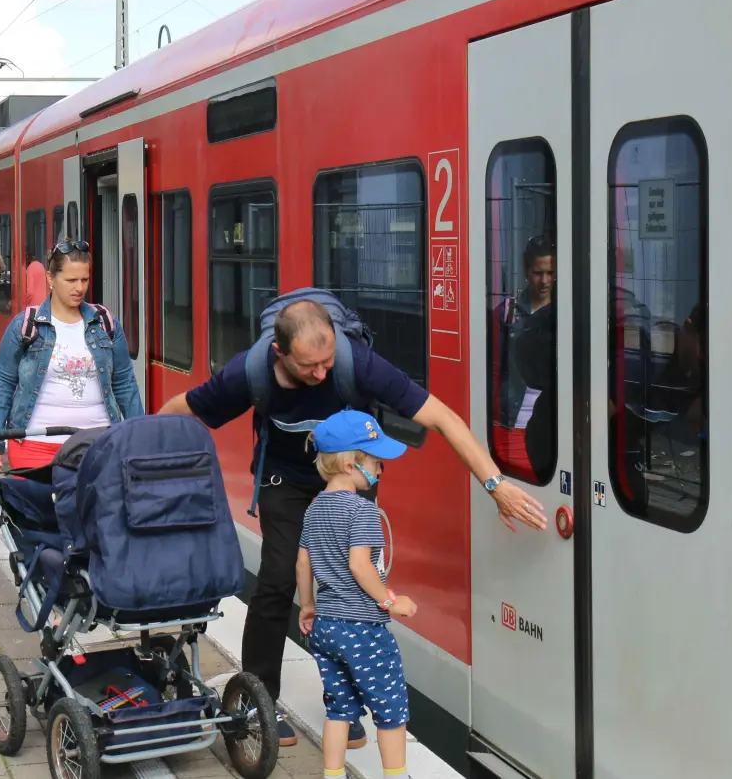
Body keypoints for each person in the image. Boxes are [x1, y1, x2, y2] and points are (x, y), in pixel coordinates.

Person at [158, 297, 547, 746]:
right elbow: (185, 406)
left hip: (351, 483)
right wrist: (140, 441)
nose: (322, 375)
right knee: (278, 579)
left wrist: (495, 485)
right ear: (279, 353)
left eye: (327, 363)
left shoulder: (355, 362)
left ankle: (344, 703)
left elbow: (442, 417)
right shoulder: (251, 371)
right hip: (285, 481)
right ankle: (257, 700)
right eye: (310, 367)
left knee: (352, 590)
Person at [297, 409, 417, 779]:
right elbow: (360, 566)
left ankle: (332, 776)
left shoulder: (314, 509)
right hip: (362, 627)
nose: (380, 470)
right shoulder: (363, 512)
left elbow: (303, 564)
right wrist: (391, 602)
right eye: (376, 462)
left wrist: (308, 605)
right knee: (391, 710)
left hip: (327, 627)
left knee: (338, 709)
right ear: (351, 464)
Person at [0, 241, 144, 472]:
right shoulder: (26, 326)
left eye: (84, 280)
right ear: (50, 278)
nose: (79, 288)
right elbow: (2, 384)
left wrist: (141, 437)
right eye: (71, 280)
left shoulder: (106, 324)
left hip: (100, 446)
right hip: (35, 446)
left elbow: (125, 384)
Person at [490, 235, 555, 482]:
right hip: (509, 425)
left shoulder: (565, 313)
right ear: (527, 271)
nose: (545, 281)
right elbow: (494, 368)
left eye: (550, 272)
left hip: (548, 426)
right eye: (538, 273)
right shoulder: (507, 312)